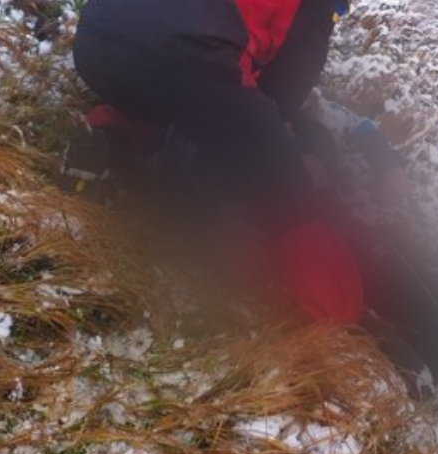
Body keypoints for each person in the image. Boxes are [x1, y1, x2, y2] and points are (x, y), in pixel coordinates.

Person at [72, 0, 406, 324]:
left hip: (96, 37)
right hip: (178, 52)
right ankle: (337, 309)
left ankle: (119, 130)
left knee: (181, 100)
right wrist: (290, 158)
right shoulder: (313, 10)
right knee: (281, 178)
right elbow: (275, 106)